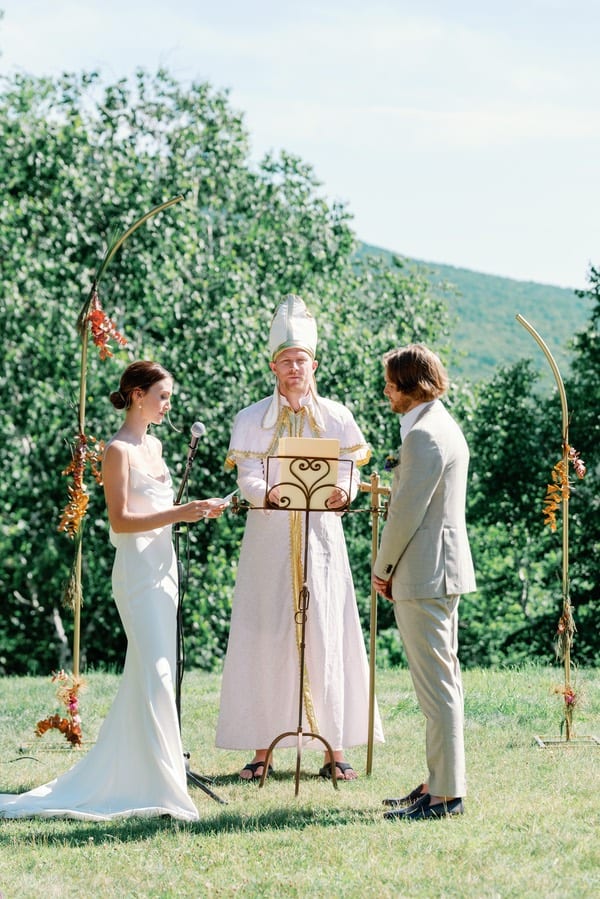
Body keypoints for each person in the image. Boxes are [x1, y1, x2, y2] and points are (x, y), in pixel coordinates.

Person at [0, 360, 226, 821]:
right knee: (157, 674)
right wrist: (180, 512)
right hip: (137, 573)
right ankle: (167, 787)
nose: (168, 405)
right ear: (137, 395)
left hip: (164, 568)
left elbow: (158, 508)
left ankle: (144, 776)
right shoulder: (116, 450)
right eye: (163, 396)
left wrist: (198, 510)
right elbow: (121, 521)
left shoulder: (156, 445)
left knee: (151, 674)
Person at [216, 294, 384, 781]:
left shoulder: (337, 416)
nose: (294, 369)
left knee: (327, 632)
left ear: (315, 365)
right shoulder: (250, 419)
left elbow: (350, 469)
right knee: (266, 635)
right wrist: (267, 493)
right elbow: (247, 475)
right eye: (286, 361)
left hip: (322, 541)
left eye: (301, 361)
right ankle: (261, 750)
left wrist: (344, 491)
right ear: (273, 366)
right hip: (268, 543)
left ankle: (335, 749)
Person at [372, 344, 476, 820]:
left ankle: (445, 796)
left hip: (425, 572)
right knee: (443, 682)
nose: (386, 391)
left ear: (412, 386)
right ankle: (438, 782)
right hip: (440, 569)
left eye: (391, 384)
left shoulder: (424, 436)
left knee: (436, 689)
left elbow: (405, 514)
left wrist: (382, 567)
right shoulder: (440, 425)